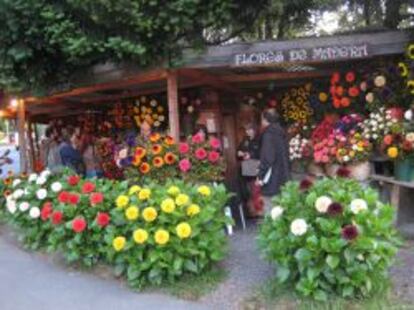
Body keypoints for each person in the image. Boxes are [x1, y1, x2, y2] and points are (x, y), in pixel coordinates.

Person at [256, 109, 290, 214]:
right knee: (282, 212)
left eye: (262, 119)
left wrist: (260, 176)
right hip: (283, 177)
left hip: (272, 180)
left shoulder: (268, 135)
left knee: (271, 213)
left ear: (265, 120)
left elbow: (267, 158)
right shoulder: (281, 133)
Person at [237, 124, 261, 216]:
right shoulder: (245, 140)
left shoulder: (259, 140)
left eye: (249, 130)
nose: (248, 132)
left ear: (254, 130)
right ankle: (251, 211)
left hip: (255, 167)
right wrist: (239, 153)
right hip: (246, 168)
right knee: (247, 191)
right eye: (246, 130)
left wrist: (251, 155)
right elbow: (239, 150)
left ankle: (257, 211)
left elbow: (261, 153)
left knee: (256, 190)